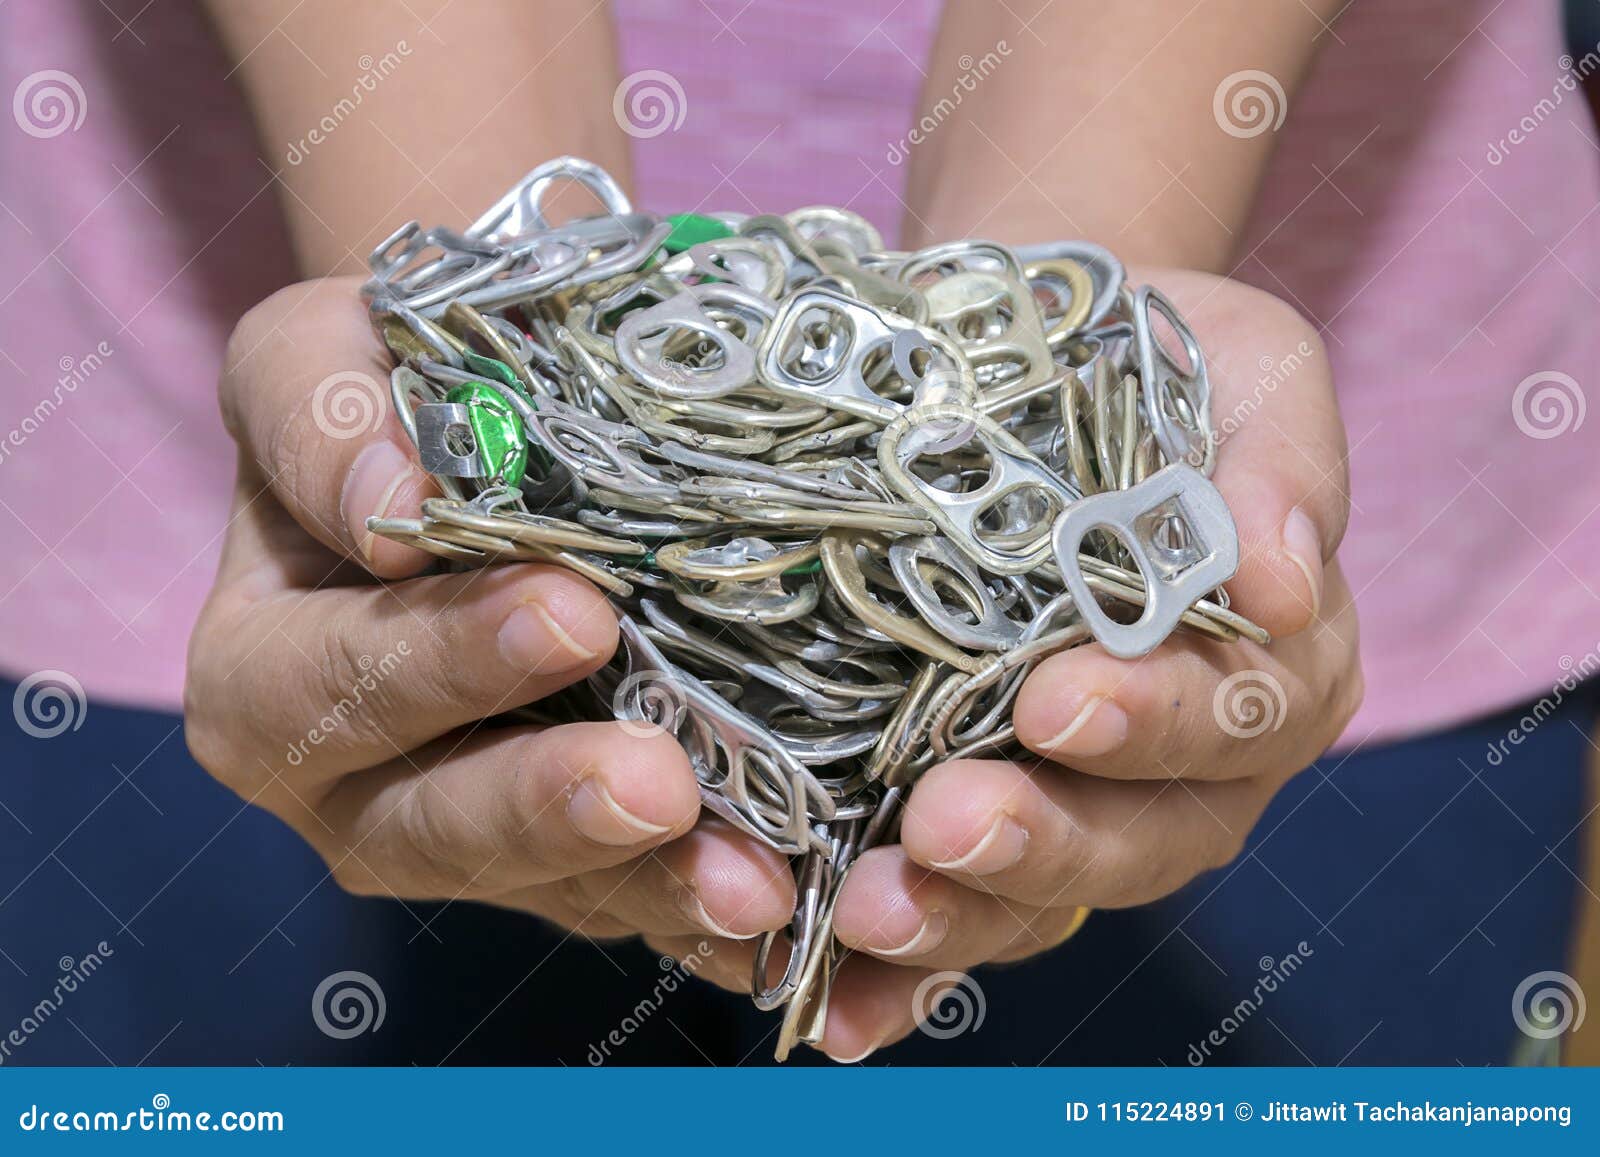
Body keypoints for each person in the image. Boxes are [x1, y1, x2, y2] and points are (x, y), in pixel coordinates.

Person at [1, 0, 1593, 1066]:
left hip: (1326, 522)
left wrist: (1067, 374)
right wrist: (476, 392)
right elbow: (470, 395)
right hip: (169, 522)